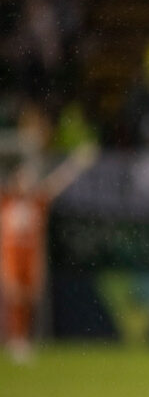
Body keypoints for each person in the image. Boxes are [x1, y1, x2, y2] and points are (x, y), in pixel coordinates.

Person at [1, 144, 98, 361]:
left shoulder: (37, 201)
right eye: (24, 177)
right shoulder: (6, 201)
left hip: (32, 258)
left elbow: (57, 182)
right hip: (11, 258)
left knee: (29, 298)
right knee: (15, 296)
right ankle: (15, 340)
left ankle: (22, 340)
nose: (29, 182)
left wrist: (77, 163)